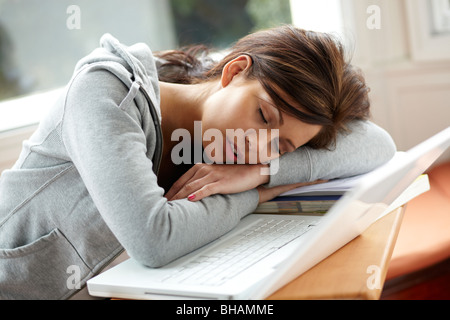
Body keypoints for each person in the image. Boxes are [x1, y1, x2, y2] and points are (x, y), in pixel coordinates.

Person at [0, 25, 395, 299]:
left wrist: (261, 171)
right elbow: (154, 239)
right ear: (234, 71)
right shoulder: (103, 94)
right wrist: (255, 194)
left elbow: (377, 144)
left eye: (282, 146)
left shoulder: (237, 145)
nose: (258, 147)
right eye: (263, 118)